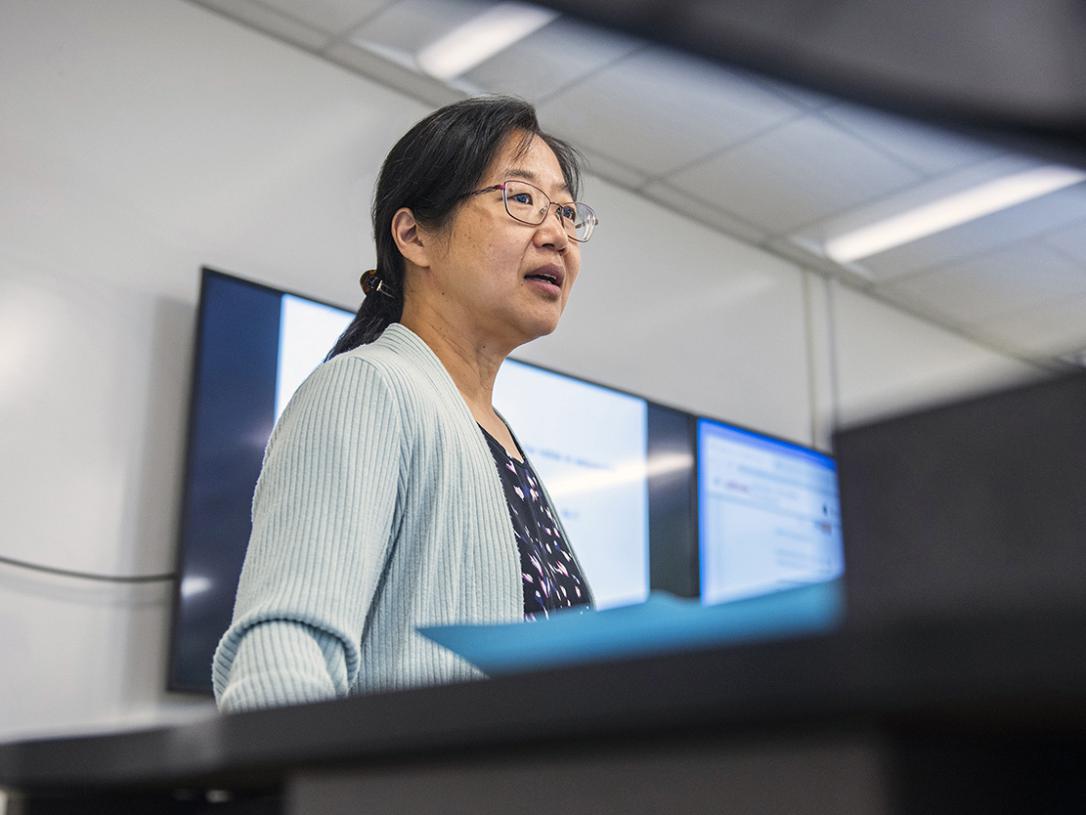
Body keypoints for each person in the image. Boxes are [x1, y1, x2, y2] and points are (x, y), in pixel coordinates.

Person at [212, 96, 600, 712]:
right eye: (521, 200)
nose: (557, 236)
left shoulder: (499, 440)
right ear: (415, 234)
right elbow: (285, 651)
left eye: (567, 212)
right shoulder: (366, 387)